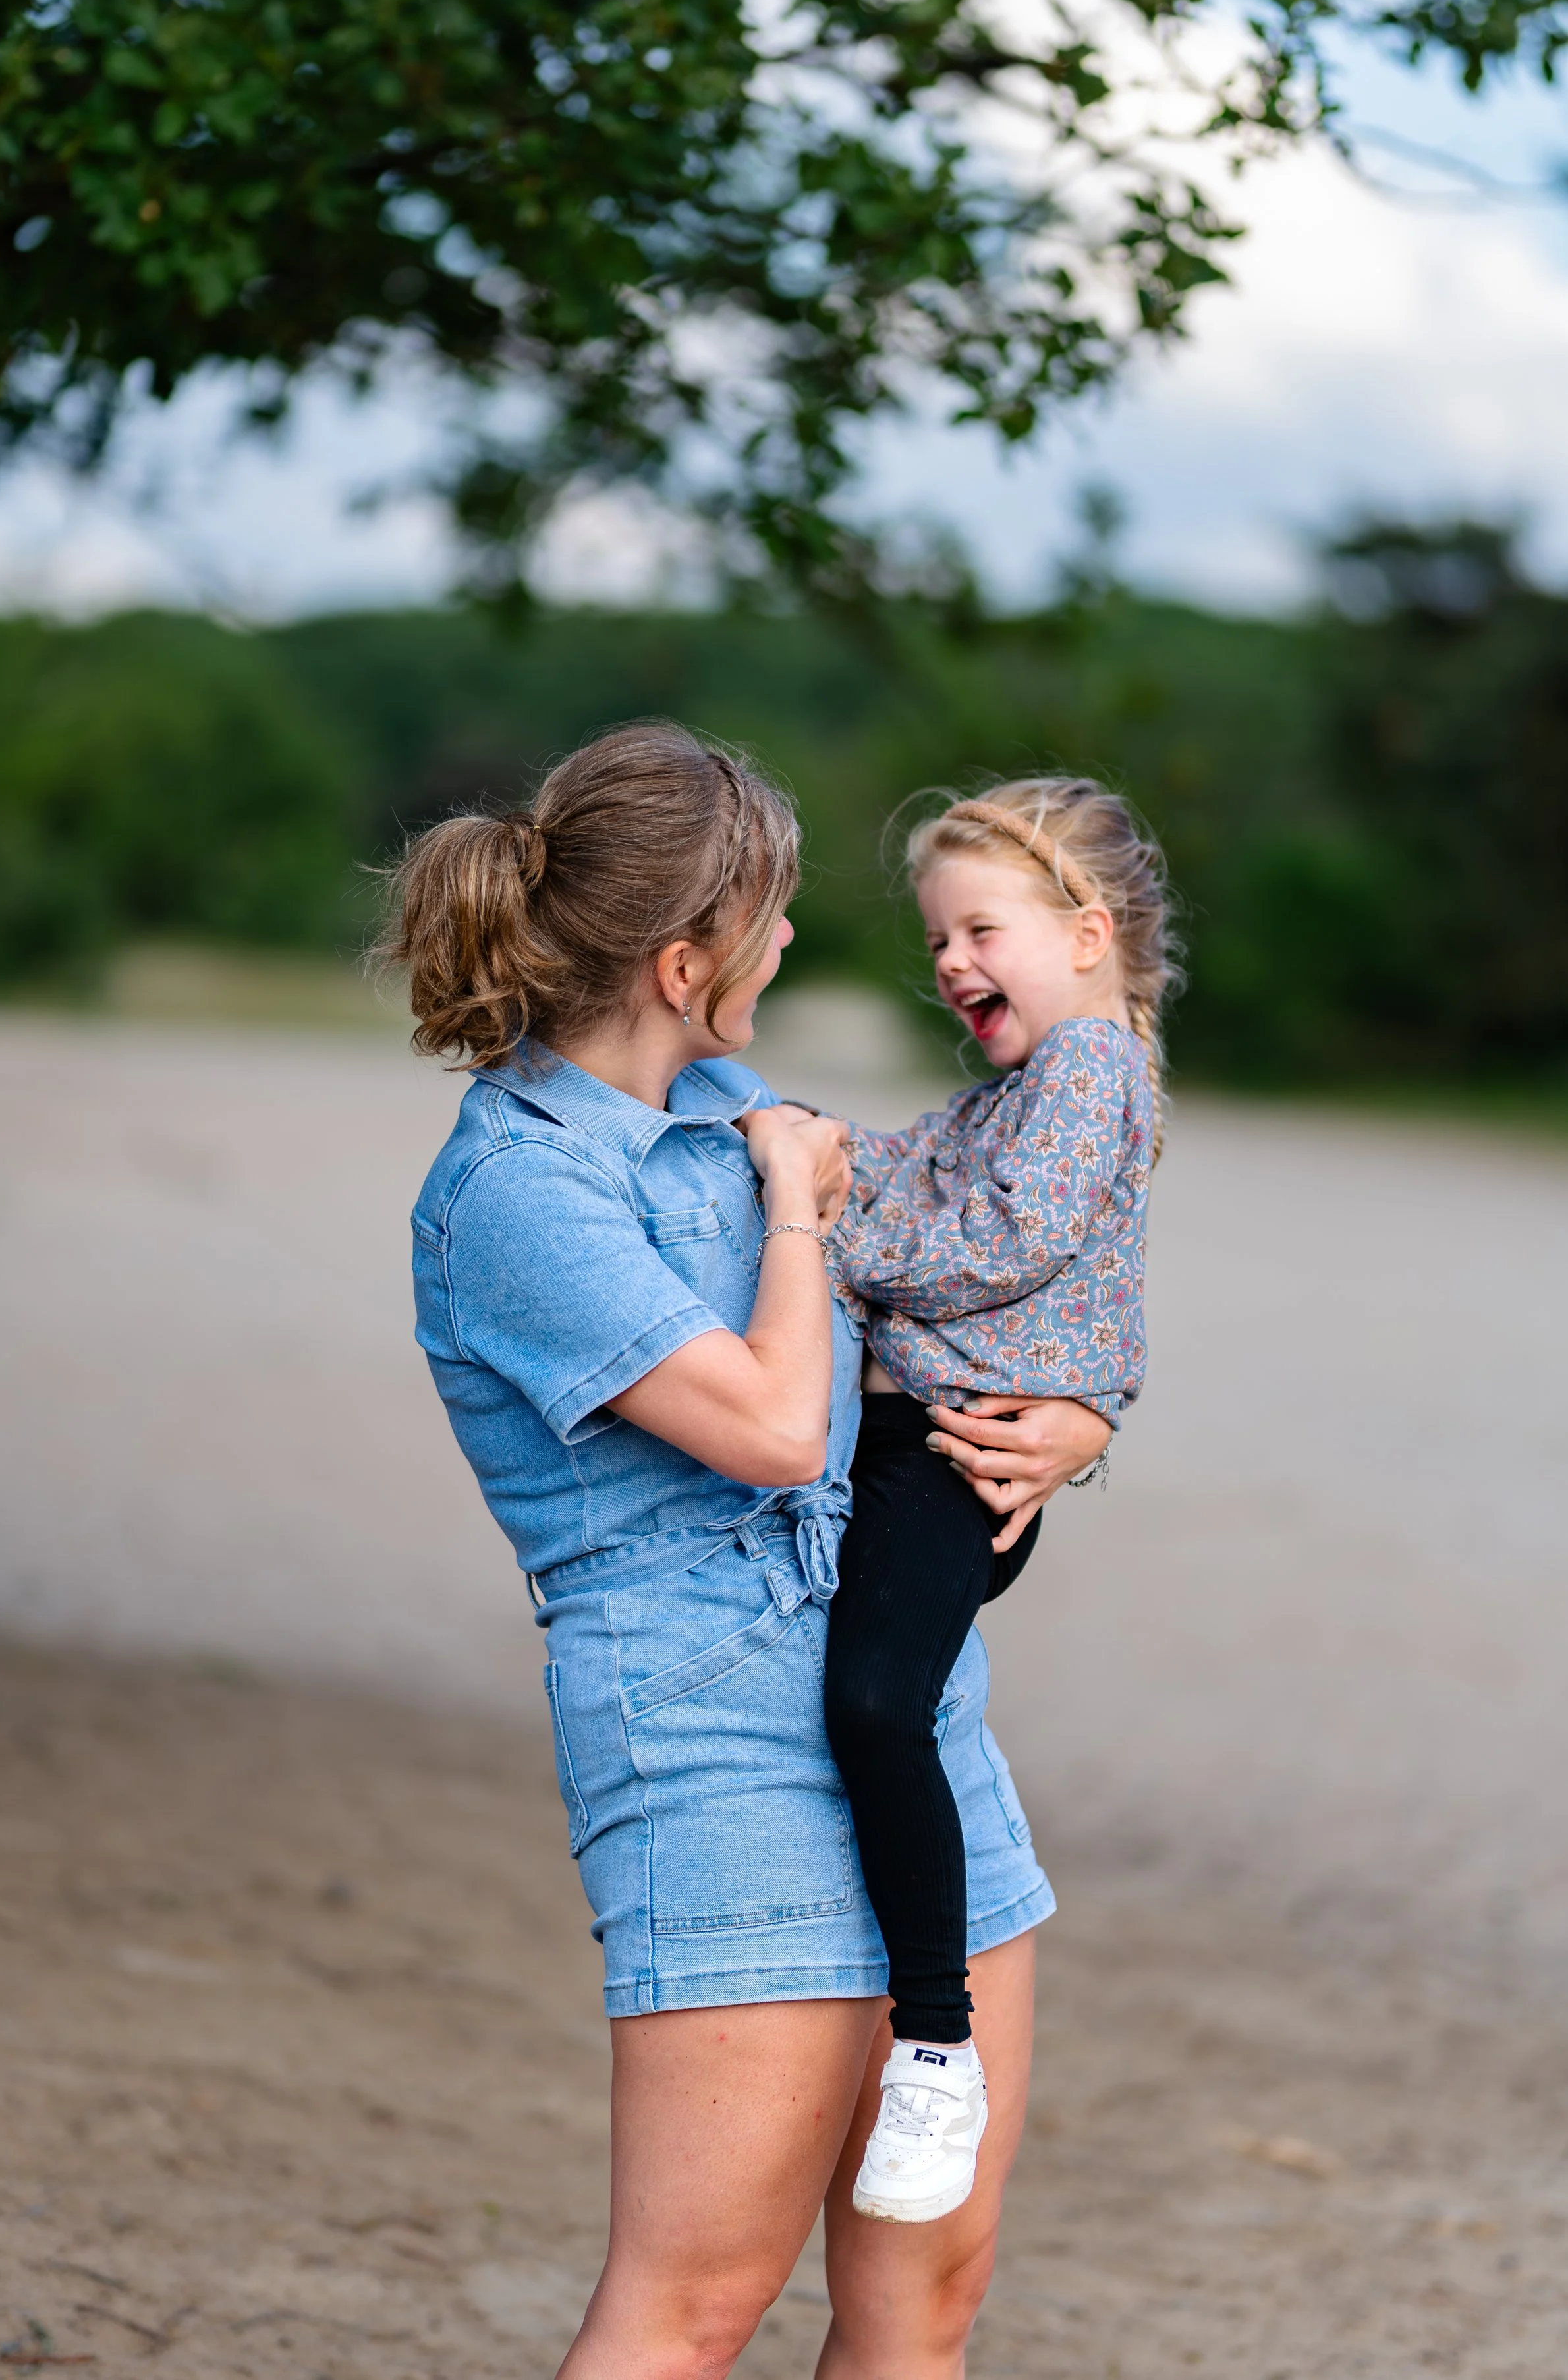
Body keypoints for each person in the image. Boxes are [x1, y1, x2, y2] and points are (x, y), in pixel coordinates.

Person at [387, 722, 1111, 2379]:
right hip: (707, 1739)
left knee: (931, 2285)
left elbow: (953, 1294)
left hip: (904, 1708)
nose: (791, 943)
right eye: (771, 918)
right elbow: (780, 1429)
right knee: (697, 2300)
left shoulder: (727, 1103)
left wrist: (1077, 1426)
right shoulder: (516, 1191)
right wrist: (793, 1201)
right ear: (683, 956)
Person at [822, 779, 1176, 2225]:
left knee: (869, 1705)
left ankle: (932, 2044)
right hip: (917, 1445)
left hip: (953, 1463)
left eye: (981, 929)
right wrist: (805, 1135)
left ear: (1084, 933)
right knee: (852, 1697)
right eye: (937, 939)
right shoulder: (1022, 1089)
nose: (952, 961)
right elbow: (927, 1165)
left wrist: (821, 1212)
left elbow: (999, 1235)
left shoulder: (1088, 1066)